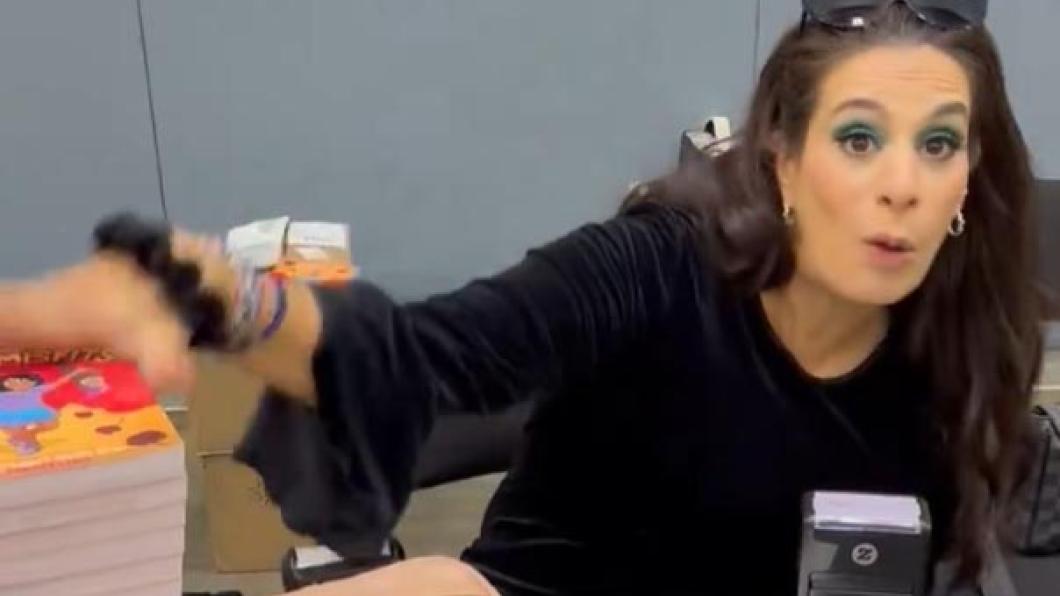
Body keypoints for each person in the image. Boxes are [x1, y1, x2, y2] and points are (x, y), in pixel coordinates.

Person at [0, 1, 1044, 593]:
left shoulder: (967, 345)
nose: (898, 183)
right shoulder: (656, 265)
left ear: (970, 174)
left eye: (937, 143)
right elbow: (421, 357)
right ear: (781, 154)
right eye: (858, 137)